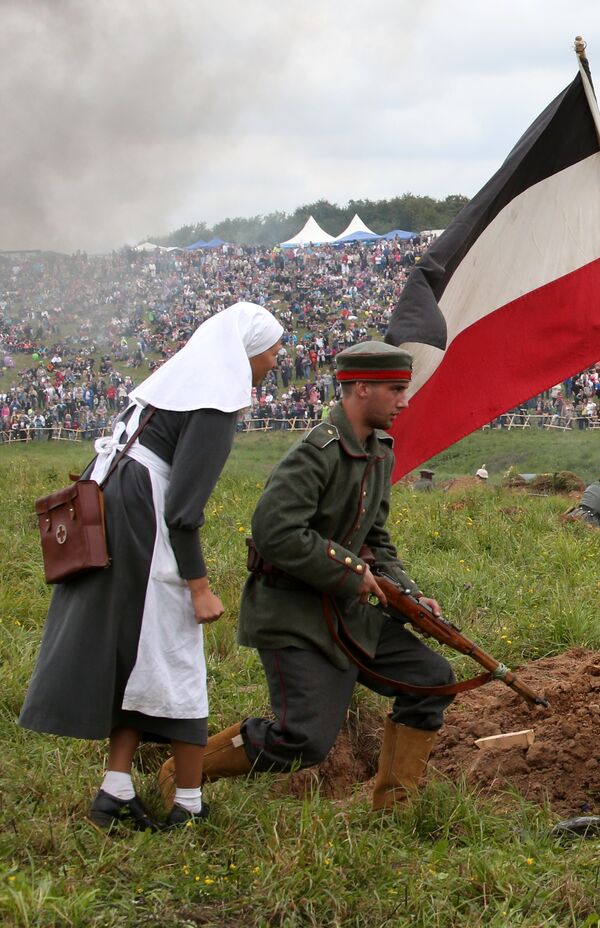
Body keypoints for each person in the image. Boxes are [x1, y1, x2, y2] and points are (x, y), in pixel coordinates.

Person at [155, 341, 456, 815]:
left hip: (348, 613)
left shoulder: (381, 452)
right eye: (396, 390)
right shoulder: (314, 453)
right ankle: (181, 773)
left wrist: (410, 594)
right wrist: (351, 571)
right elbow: (274, 532)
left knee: (431, 680)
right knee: (304, 742)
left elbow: (374, 537)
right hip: (293, 615)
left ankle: (395, 812)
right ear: (361, 388)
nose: (404, 400)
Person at [20, 302, 285, 831]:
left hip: (116, 509)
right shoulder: (214, 402)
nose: (276, 361)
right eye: (272, 351)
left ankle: (115, 789)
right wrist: (200, 587)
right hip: (146, 525)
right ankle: (188, 803)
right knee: (174, 653)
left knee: (135, 653)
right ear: (244, 353)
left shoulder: (165, 388)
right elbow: (184, 512)